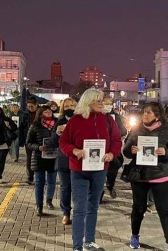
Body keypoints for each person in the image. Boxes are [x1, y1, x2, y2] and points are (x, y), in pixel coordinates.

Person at [59, 88, 122, 251]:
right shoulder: (75, 121)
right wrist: (74, 151)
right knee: (79, 208)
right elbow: (64, 142)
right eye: (98, 101)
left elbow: (116, 141)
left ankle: (90, 241)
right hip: (79, 170)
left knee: (93, 206)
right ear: (88, 102)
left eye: (102, 100)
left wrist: (111, 154)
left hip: (100, 170)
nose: (102, 104)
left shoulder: (109, 120)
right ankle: (77, 245)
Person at [122, 102, 168, 251]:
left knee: (164, 210)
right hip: (140, 175)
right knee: (138, 208)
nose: (145, 115)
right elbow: (126, 151)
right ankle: (135, 236)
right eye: (144, 112)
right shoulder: (136, 130)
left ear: (157, 116)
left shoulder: (166, 130)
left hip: (160, 175)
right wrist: (131, 150)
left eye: (149, 113)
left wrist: (165, 152)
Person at [26, 105, 58, 216]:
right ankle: (39, 205)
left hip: (53, 158)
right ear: (40, 113)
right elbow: (28, 142)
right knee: (39, 182)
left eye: (50, 111)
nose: (49, 113)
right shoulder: (35, 125)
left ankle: (49, 200)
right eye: (46, 112)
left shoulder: (57, 124)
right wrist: (38, 147)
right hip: (39, 158)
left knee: (52, 181)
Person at [52, 97, 77, 225]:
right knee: (65, 187)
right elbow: (52, 141)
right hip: (64, 160)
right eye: (66, 106)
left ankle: (79, 213)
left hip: (78, 159)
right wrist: (57, 133)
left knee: (78, 188)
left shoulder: (81, 120)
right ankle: (66, 213)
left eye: (72, 106)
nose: (69, 108)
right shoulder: (59, 121)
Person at [102, 97, 127, 200]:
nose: (108, 106)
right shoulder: (96, 116)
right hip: (100, 149)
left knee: (112, 171)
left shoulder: (115, 116)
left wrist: (114, 133)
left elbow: (123, 131)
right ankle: (99, 194)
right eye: (106, 103)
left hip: (112, 150)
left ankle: (110, 185)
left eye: (110, 104)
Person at [25, 96, 39, 185]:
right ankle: (30, 176)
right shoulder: (26, 114)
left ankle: (39, 176)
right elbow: (22, 127)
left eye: (32, 106)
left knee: (39, 158)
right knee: (29, 158)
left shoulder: (41, 113)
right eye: (28, 106)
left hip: (39, 138)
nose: (30, 108)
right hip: (29, 139)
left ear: (36, 105)